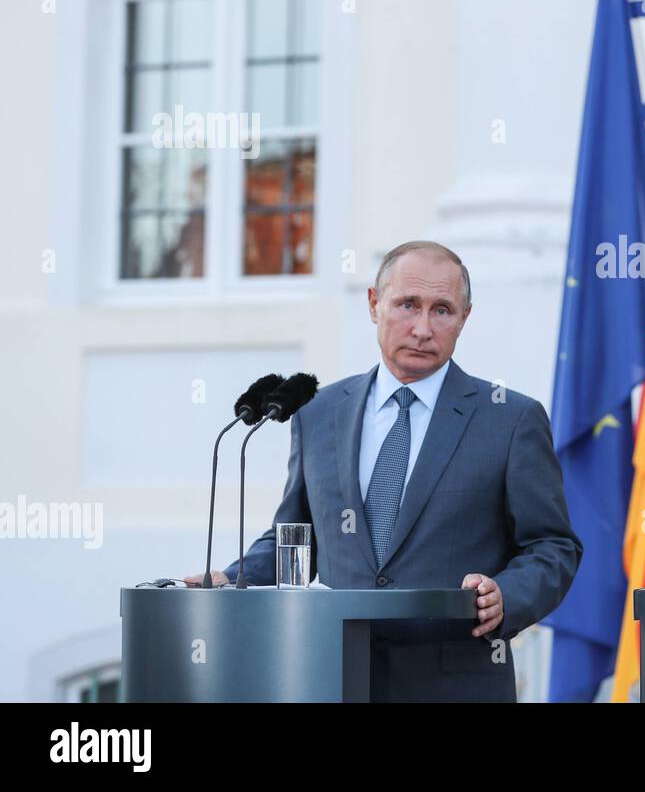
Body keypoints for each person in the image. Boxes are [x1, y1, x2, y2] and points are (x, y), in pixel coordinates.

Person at [186, 241, 581, 701]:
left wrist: (507, 595)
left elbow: (553, 546)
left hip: (455, 684)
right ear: (374, 304)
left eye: (442, 310)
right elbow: (296, 536)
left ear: (465, 318)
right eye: (407, 305)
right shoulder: (318, 412)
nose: (422, 328)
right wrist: (232, 578)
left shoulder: (510, 419)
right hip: (331, 677)